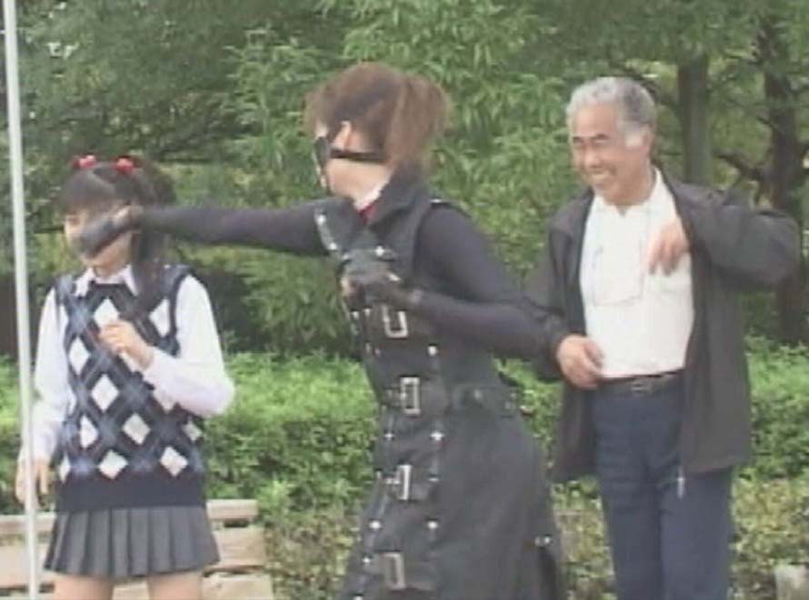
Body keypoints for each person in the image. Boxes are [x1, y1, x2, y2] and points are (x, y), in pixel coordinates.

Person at [80, 62, 563, 600]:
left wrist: (410, 298)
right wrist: (138, 219)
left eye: (319, 136)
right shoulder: (341, 221)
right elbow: (231, 224)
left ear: (345, 135)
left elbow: (523, 330)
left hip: (475, 452)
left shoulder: (435, 223)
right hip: (411, 444)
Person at [524, 76, 800, 600]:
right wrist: (560, 344)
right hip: (612, 420)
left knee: (693, 581)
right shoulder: (571, 226)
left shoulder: (696, 208)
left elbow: (780, 249)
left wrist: (701, 231)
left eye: (600, 142)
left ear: (644, 138)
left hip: (688, 413)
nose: (588, 160)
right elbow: (533, 314)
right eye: (578, 145)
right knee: (638, 581)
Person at [15, 156, 234, 600]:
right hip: (87, 482)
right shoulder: (64, 299)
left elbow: (215, 396)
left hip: (166, 481)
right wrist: (36, 450)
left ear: (132, 222)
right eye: (71, 220)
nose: (82, 232)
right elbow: (53, 397)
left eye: (96, 219)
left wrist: (148, 357)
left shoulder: (179, 291)